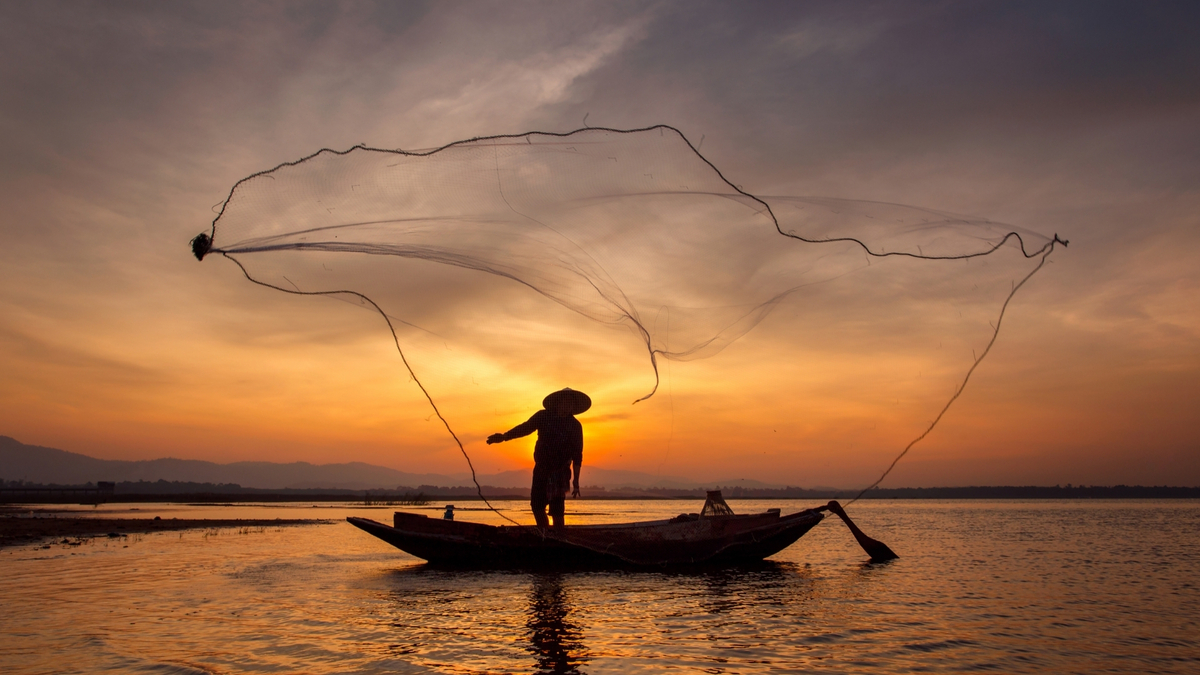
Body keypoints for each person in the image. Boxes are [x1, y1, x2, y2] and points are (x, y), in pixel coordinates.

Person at [487, 388, 590, 529]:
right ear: (558, 402)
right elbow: (526, 427)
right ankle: (544, 533)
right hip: (541, 469)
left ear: (573, 406)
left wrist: (576, 481)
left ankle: (559, 537)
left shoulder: (575, 426)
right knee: (536, 505)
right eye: (565, 401)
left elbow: (577, 454)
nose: (567, 405)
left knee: (557, 510)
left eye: (571, 403)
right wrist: (505, 437)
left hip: (560, 473)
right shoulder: (544, 416)